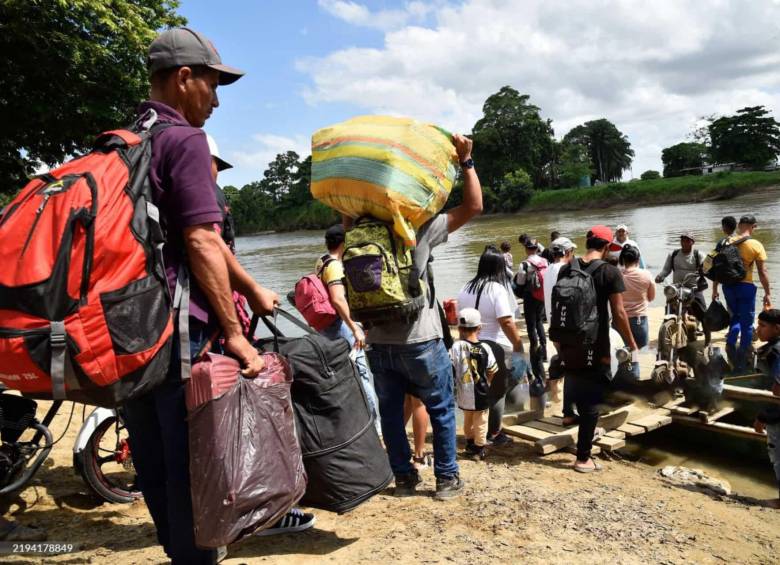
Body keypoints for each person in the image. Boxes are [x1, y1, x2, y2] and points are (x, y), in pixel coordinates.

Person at [122, 28, 310, 565]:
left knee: (157, 475)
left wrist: (251, 286)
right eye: (212, 83)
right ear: (184, 79)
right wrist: (234, 333)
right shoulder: (184, 141)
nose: (217, 97)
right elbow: (202, 237)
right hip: (182, 346)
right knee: (199, 478)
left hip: (132, 338)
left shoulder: (124, 140)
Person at [365, 133, 483, 500]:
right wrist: (466, 161)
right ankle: (446, 479)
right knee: (441, 408)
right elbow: (474, 206)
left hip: (377, 342)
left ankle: (403, 478)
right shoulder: (418, 229)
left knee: (390, 414)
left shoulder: (358, 228)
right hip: (421, 340)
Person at [556, 225, 638, 472]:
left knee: (578, 385)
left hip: (568, 342)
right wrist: (631, 344)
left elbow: (559, 307)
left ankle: (581, 430)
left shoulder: (566, 268)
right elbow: (620, 313)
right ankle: (583, 458)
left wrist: (559, 342)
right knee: (592, 400)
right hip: (596, 343)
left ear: (587, 243)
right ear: (606, 247)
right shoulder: (610, 272)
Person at [457, 245, 526, 447]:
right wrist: (519, 344)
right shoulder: (497, 289)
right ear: (499, 268)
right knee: (497, 392)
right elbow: (506, 321)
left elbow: (461, 321)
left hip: (470, 345)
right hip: (495, 347)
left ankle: (473, 431)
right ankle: (494, 433)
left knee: (475, 390)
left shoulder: (465, 288)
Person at [314, 224, 381, 432]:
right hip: (341, 326)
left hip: (326, 327)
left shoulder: (321, 261)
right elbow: (337, 299)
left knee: (343, 374)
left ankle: (352, 422)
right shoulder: (335, 265)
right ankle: (376, 426)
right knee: (361, 374)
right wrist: (355, 328)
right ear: (344, 243)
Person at [712, 215, 772, 371]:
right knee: (746, 322)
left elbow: (717, 268)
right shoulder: (756, 245)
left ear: (739, 225)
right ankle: (742, 357)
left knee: (735, 318)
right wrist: (767, 293)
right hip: (746, 287)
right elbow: (762, 271)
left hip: (728, 287)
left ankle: (730, 344)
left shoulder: (725, 242)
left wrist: (714, 289)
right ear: (753, 227)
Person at [450, 308, 500, 460]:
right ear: (479, 327)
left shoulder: (456, 347)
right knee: (481, 420)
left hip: (463, 392)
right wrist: (488, 383)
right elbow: (492, 369)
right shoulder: (485, 348)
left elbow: (450, 366)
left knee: (468, 419)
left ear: (459, 328)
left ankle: (469, 443)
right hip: (481, 391)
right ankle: (479, 448)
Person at [544, 237, 577, 403]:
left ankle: (556, 395)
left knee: (561, 357)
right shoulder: (564, 269)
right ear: (567, 252)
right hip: (565, 322)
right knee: (571, 360)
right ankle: (567, 401)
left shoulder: (548, 269)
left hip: (552, 323)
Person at [753, 309, 780, 509]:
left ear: (777, 328)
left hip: (777, 416)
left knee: (777, 455)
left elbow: (778, 392)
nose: (757, 330)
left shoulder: (776, 353)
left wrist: (764, 416)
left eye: (763, 326)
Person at [517, 238, 549, 368]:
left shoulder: (524, 264)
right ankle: (545, 352)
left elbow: (520, 282)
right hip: (542, 296)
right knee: (539, 322)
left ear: (526, 249)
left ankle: (535, 353)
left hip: (530, 296)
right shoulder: (545, 261)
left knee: (531, 325)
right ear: (537, 248)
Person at [618, 245, 655, 353]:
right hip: (639, 320)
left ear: (623, 259)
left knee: (622, 353)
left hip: (619, 320)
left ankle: (626, 368)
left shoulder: (617, 275)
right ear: (638, 259)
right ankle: (633, 366)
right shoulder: (646, 275)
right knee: (637, 353)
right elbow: (651, 298)